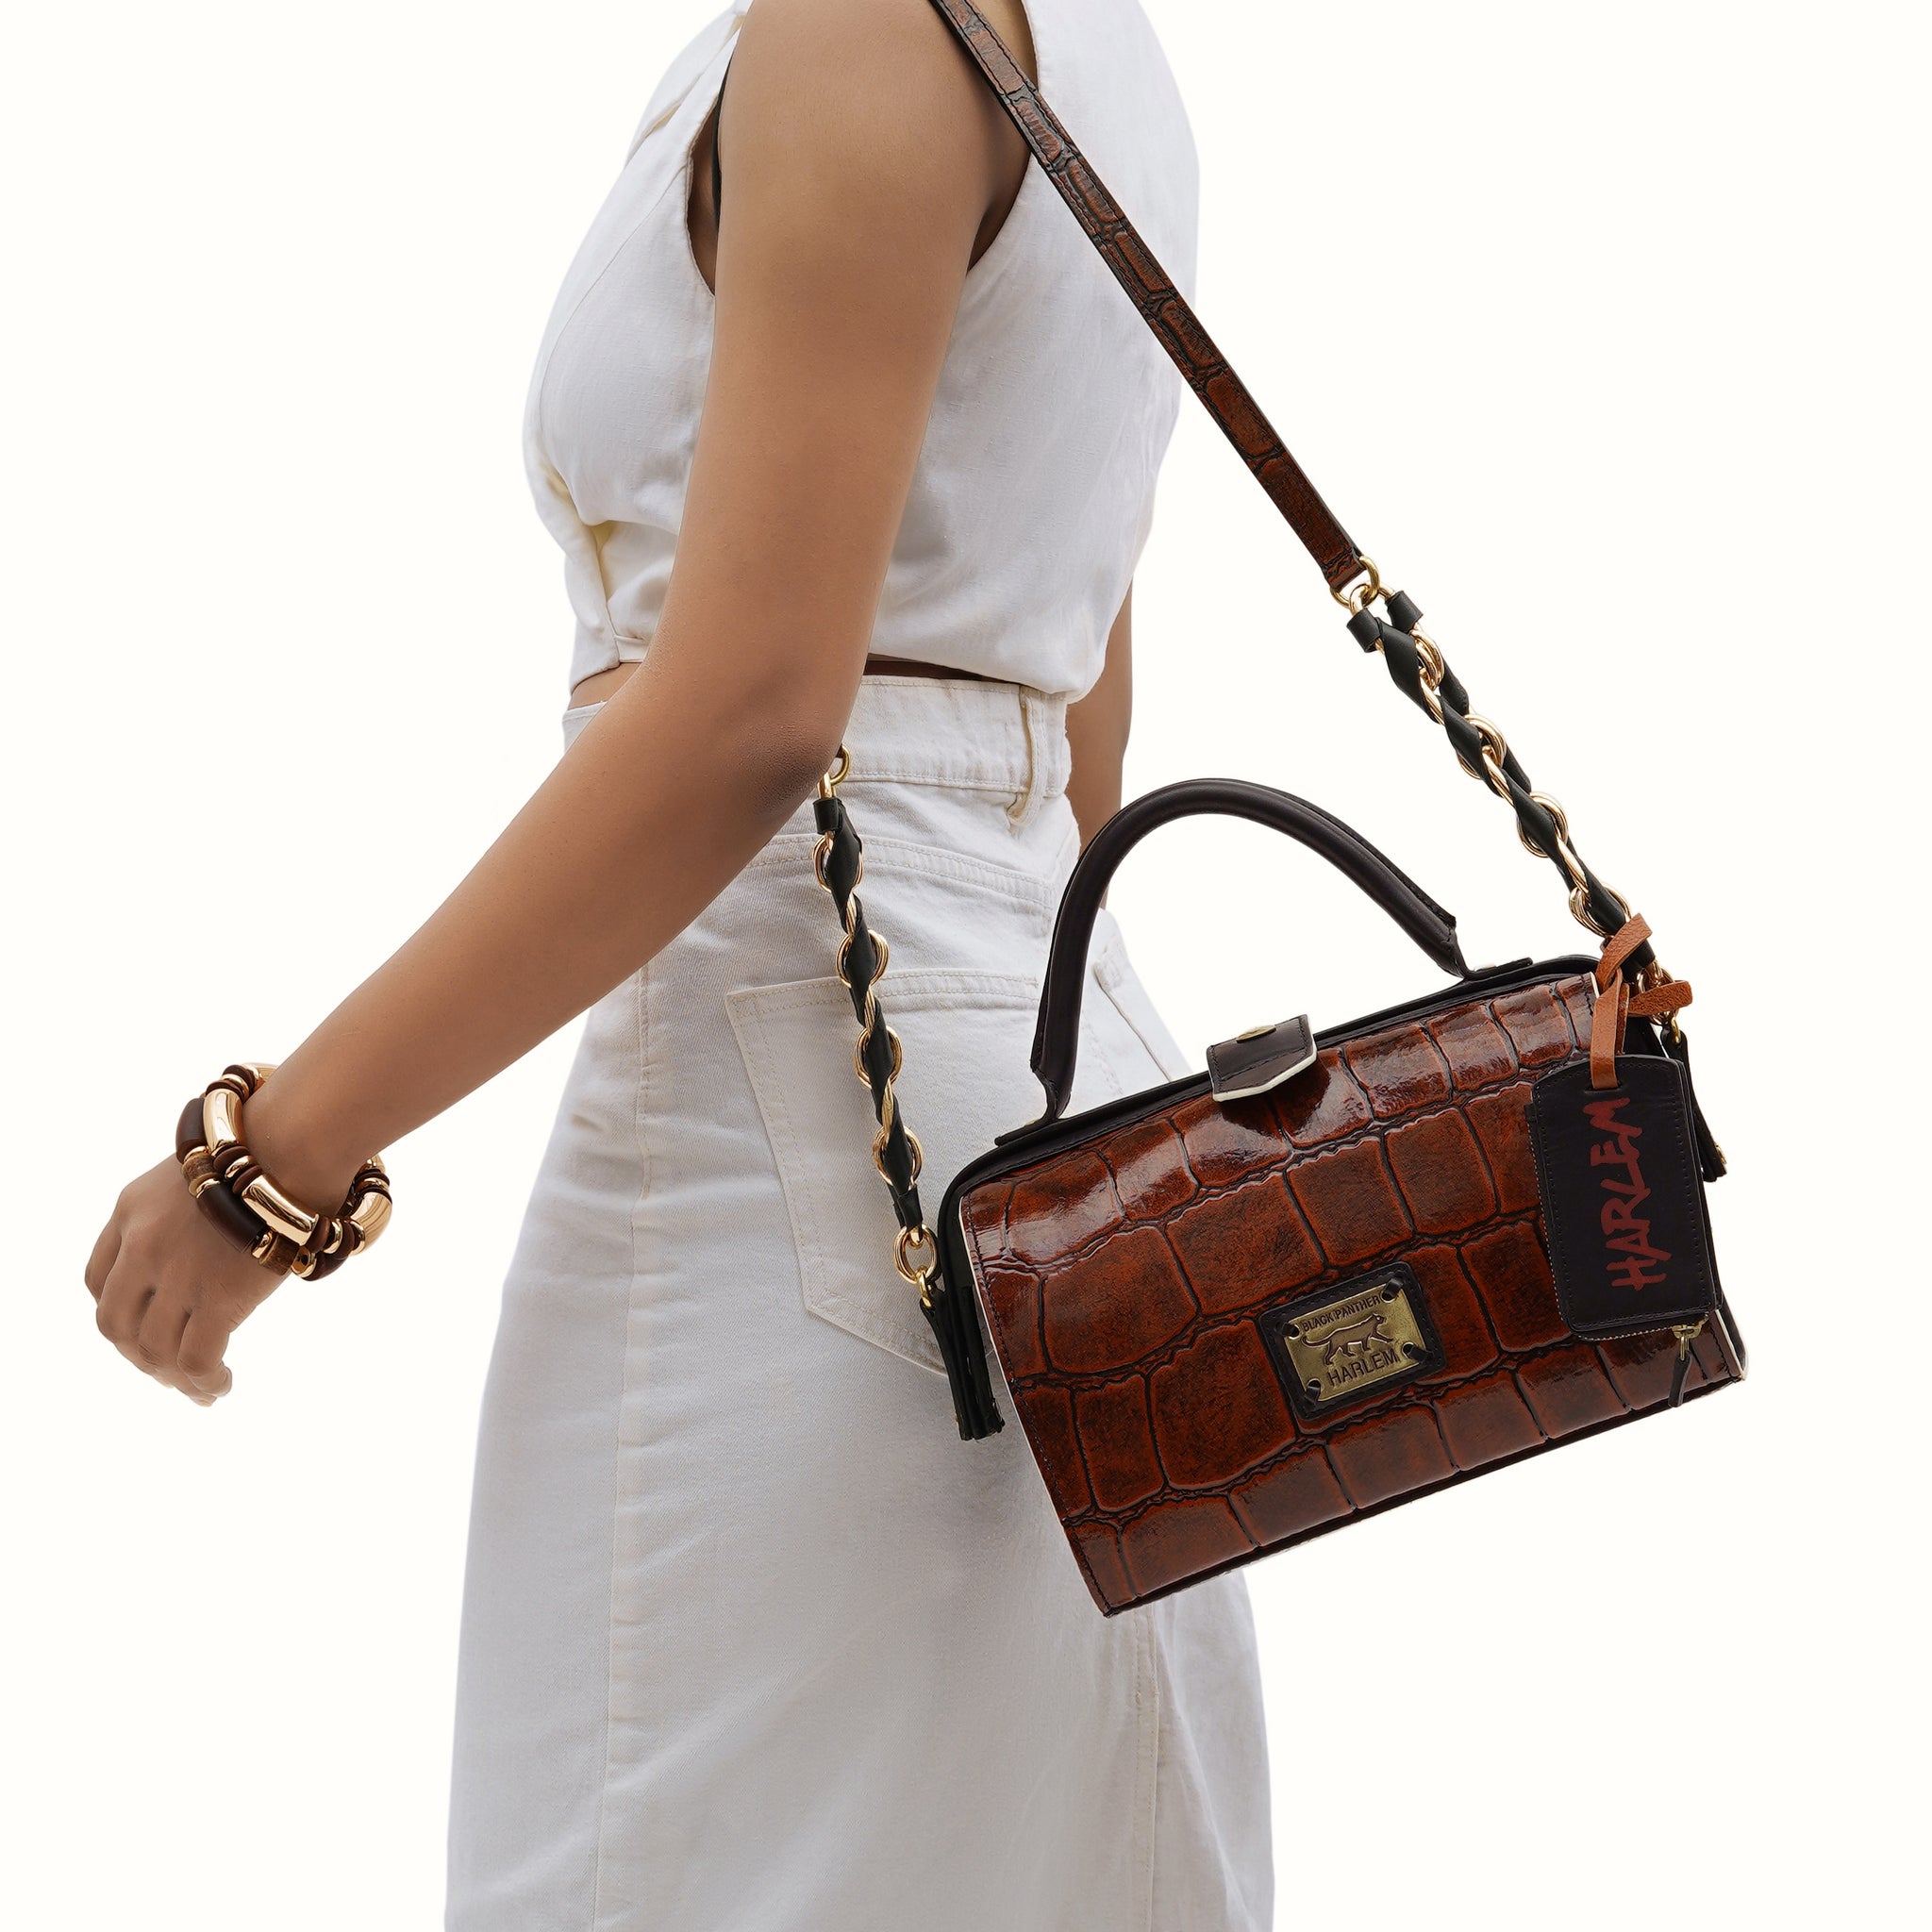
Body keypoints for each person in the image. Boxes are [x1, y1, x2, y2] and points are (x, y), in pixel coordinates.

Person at [83, 0, 1272, 1924]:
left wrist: (273, 1161)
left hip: (807, 1098)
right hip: (1046, 1065)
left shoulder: (861, 30)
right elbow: (1074, 725)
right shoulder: (1103, 61)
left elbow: (747, 714)